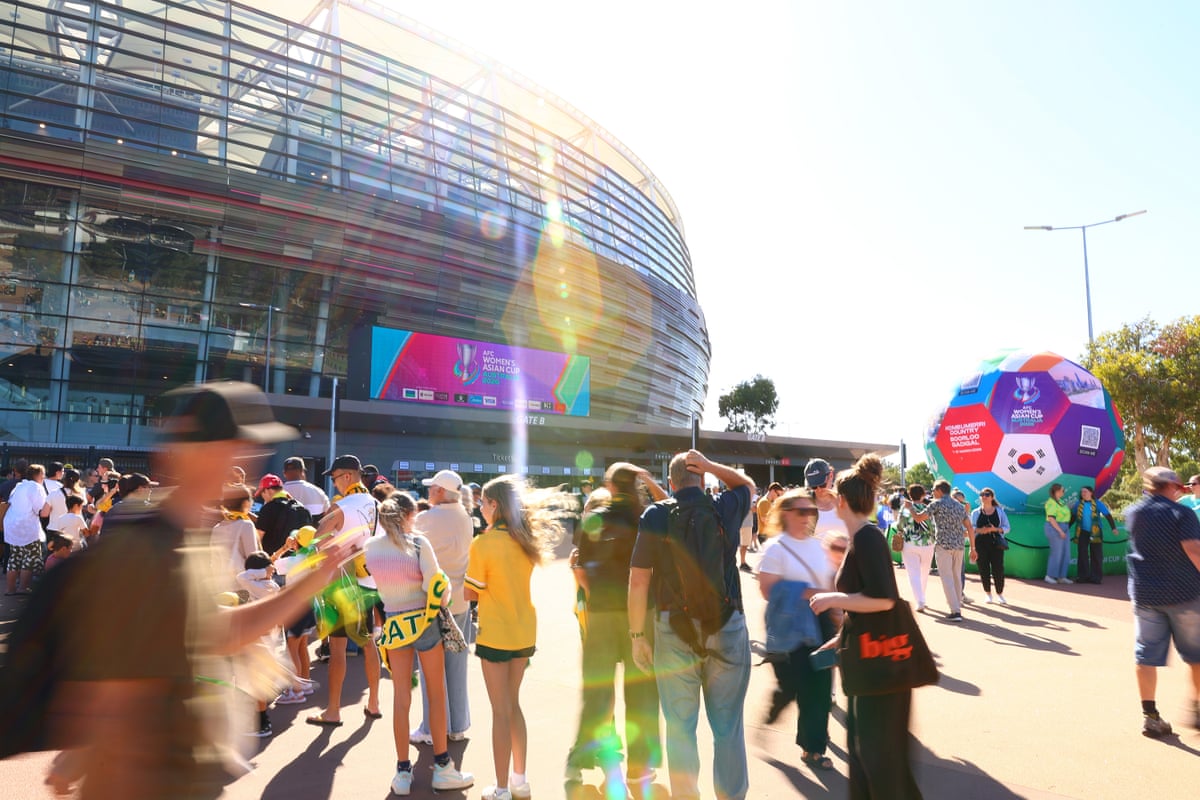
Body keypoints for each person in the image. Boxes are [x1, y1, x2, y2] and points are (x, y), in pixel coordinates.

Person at [0, 380, 360, 799]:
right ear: (201, 452)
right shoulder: (149, 550)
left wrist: (307, 586)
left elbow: (213, 633)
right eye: (237, 446)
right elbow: (116, 701)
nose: (244, 458)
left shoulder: (182, 537)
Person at [628, 449, 753, 800]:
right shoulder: (723, 507)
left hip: (673, 630)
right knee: (728, 728)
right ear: (702, 479)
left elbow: (638, 581)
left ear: (670, 483)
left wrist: (638, 636)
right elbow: (747, 485)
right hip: (726, 625)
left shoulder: (656, 514)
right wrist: (714, 466)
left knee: (681, 728)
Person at [810, 454, 923, 799]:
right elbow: (868, 605)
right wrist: (840, 639)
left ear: (841, 501)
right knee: (866, 759)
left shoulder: (868, 537)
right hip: (867, 666)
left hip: (881, 672)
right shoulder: (861, 537)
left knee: (881, 764)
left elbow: (884, 599)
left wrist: (833, 599)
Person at [465, 475, 570, 800]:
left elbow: (471, 591)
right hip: (524, 628)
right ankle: (519, 781)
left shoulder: (483, 543)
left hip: (496, 632)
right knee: (513, 705)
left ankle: (500, 788)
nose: (480, 508)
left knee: (500, 710)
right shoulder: (524, 539)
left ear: (495, 505)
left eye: (483, 502)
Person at [566, 463, 665, 794]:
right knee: (642, 695)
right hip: (639, 614)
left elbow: (582, 566)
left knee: (597, 692)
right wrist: (649, 480)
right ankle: (639, 768)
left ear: (609, 484)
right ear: (636, 485)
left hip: (602, 616)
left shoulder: (594, 517)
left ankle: (580, 760)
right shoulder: (647, 516)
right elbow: (670, 508)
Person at [366, 493, 474, 795]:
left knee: (401, 697)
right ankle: (442, 767)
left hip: (394, 625)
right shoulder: (417, 544)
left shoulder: (370, 548)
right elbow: (436, 588)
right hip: (424, 622)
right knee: (436, 693)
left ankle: (402, 772)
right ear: (409, 515)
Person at [758, 487, 838, 771]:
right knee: (794, 685)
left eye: (811, 511)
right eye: (802, 511)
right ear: (786, 514)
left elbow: (830, 585)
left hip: (820, 622)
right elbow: (767, 589)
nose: (808, 517)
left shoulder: (819, 545)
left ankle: (813, 748)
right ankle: (777, 706)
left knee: (818, 688)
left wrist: (837, 613)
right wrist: (809, 593)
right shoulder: (775, 547)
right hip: (790, 624)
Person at [1123, 466, 1200, 737]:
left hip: (1145, 595)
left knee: (1145, 654)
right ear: (1171, 486)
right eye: (1179, 485)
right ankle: (1198, 710)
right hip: (1184, 595)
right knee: (1196, 654)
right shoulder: (1183, 513)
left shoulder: (1133, 512)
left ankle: (1150, 716)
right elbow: (1192, 548)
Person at [307, 454, 383, 726]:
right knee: (368, 642)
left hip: (341, 585)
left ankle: (333, 710)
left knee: (337, 649)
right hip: (370, 582)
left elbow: (315, 542)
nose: (334, 484)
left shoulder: (342, 507)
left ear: (348, 476)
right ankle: (374, 703)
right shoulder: (378, 504)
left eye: (335, 478)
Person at [411, 470, 474, 746]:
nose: (428, 491)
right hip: (460, 597)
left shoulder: (426, 519)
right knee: (456, 662)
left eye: (431, 488)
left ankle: (431, 726)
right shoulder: (466, 517)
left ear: (438, 491)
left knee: (430, 668)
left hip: (433, 600)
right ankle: (457, 725)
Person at [925, 480, 973, 620]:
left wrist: (910, 508)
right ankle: (957, 606)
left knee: (947, 578)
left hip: (943, 545)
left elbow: (920, 517)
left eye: (933, 489)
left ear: (940, 490)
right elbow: (970, 527)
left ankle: (955, 611)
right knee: (957, 577)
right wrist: (973, 547)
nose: (932, 492)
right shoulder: (959, 506)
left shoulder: (936, 504)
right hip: (959, 545)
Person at [3, 463, 47, 595]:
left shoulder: (19, 485)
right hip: (26, 526)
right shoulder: (36, 487)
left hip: (11, 524)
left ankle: (10, 589)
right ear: (38, 475)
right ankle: (23, 587)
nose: (44, 477)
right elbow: (40, 509)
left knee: (14, 557)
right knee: (30, 557)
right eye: (43, 475)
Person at [211, 485, 261, 588]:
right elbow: (253, 559)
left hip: (222, 584)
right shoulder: (246, 525)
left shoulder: (217, 528)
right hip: (241, 584)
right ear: (245, 503)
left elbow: (214, 561)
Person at [897, 485, 936, 612]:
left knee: (913, 573)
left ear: (910, 494)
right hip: (928, 543)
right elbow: (933, 526)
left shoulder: (905, 508)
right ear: (923, 494)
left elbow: (899, 525)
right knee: (924, 572)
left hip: (910, 543)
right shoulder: (927, 508)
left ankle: (920, 600)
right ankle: (921, 597)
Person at [970, 488, 1010, 604]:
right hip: (980, 543)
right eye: (982, 494)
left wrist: (995, 529)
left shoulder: (999, 511)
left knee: (998, 568)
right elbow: (971, 528)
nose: (984, 496)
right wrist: (980, 530)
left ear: (992, 497)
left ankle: (1000, 593)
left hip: (996, 543)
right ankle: (988, 593)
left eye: (987, 494)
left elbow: (1007, 527)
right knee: (983, 568)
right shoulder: (975, 512)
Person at [1070, 486, 1117, 585]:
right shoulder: (1078, 504)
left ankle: (1096, 577)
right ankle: (1083, 576)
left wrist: (1113, 528)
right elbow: (1073, 517)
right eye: (1082, 492)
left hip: (1096, 532)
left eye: (1085, 491)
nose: (1083, 493)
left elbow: (1107, 515)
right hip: (1082, 532)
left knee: (1096, 554)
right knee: (1082, 553)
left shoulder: (1098, 503)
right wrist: (1067, 527)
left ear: (1091, 493)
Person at [1043, 483, 1073, 585]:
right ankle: (1050, 575)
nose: (1063, 492)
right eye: (1062, 490)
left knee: (1066, 553)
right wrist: (1060, 531)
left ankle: (1061, 576)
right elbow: (1051, 518)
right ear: (1057, 491)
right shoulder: (1051, 502)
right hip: (1055, 528)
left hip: (1064, 527)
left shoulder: (1061, 502)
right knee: (1057, 552)